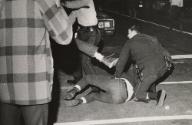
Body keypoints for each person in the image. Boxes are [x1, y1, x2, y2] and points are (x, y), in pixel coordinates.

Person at [0, 0, 114, 125]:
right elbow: (65, 34)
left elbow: (73, 6)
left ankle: (94, 84)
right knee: (81, 58)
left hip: (5, 84)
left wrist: (62, 5)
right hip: (33, 86)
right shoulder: (42, 2)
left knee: (85, 61)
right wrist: (56, 5)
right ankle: (96, 66)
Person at [63, 23, 173, 107]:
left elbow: (121, 64)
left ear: (133, 31)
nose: (127, 35)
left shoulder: (131, 44)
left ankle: (74, 91)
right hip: (165, 66)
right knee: (139, 92)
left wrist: (117, 74)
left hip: (121, 88)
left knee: (88, 78)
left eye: (128, 32)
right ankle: (156, 95)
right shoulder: (152, 39)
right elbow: (160, 55)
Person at [61, 0, 102, 85]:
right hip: (81, 32)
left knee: (85, 60)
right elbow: (72, 16)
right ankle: (78, 79)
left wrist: (58, 2)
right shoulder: (78, 3)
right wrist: (64, 27)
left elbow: (70, 4)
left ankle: (97, 85)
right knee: (76, 56)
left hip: (92, 33)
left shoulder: (86, 0)